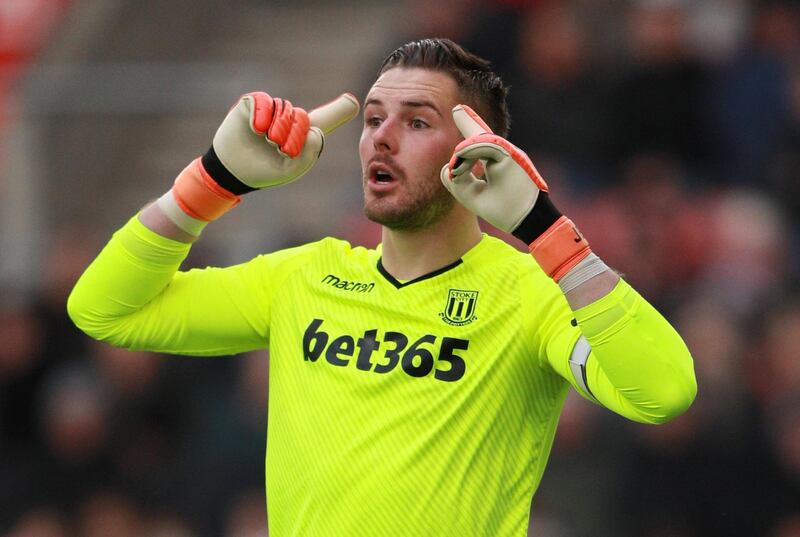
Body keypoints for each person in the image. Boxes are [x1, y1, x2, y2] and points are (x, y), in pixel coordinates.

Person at [68, 38, 697, 536]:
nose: (382, 137)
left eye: (417, 122)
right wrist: (213, 179)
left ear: (478, 152)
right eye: (373, 119)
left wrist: (545, 229)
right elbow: (104, 310)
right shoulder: (303, 275)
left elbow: (664, 391)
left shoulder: (530, 295)